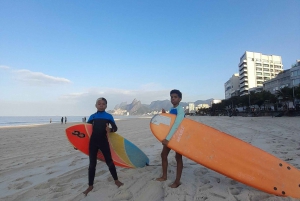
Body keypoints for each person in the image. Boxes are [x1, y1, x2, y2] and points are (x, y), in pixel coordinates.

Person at [83, 97, 123, 196]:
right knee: (92, 164)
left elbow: (115, 128)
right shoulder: (92, 116)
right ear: (96, 105)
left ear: (106, 105)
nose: (101, 105)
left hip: (103, 142)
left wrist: (110, 129)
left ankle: (116, 180)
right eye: (99, 103)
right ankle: (90, 185)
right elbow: (86, 131)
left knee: (109, 161)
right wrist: (78, 144)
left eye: (103, 104)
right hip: (93, 142)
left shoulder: (109, 116)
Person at [156, 89, 185, 188]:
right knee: (163, 155)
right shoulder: (172, 109)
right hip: (171, 135)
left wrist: (167, 139)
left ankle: (177, 181)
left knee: (178, 158)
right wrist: (165, 115)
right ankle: (164, 176)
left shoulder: (180, 109)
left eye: (175, 97)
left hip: (178, 137)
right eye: (172, 97)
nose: (173, 98)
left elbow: (177, 124)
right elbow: (171, 122)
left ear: (180, 99)